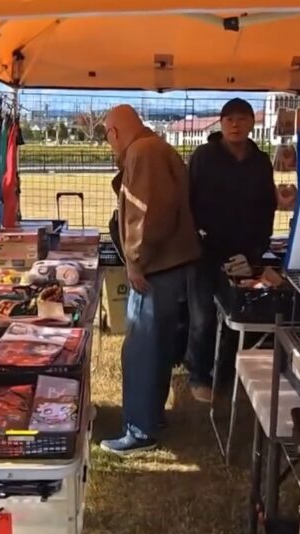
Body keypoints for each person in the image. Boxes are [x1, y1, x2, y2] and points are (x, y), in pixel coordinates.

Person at [100, 105, 201, 455]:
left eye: (106, 135)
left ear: (113, 132)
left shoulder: (143, 153)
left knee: (141, 350)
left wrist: (135, 261)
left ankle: (139, 431)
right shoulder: (153, 147)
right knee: (155, 349)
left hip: (157, 266)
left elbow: (146, 213)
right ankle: (150, 417)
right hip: (170, 263)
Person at [184, 98, 277, 402]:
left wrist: (256, 252)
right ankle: (198, 375)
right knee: (202, 317)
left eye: (242, 119)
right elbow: (187, 203)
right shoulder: (204, 157)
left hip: (243, 255)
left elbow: (267, 208)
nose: (235, 125)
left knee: (237, 315)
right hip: (202, 251)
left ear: (252, 123)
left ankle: (224, 374)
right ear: (221, 124)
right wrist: (196, 241)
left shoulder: (261, 161)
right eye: (229, 119)